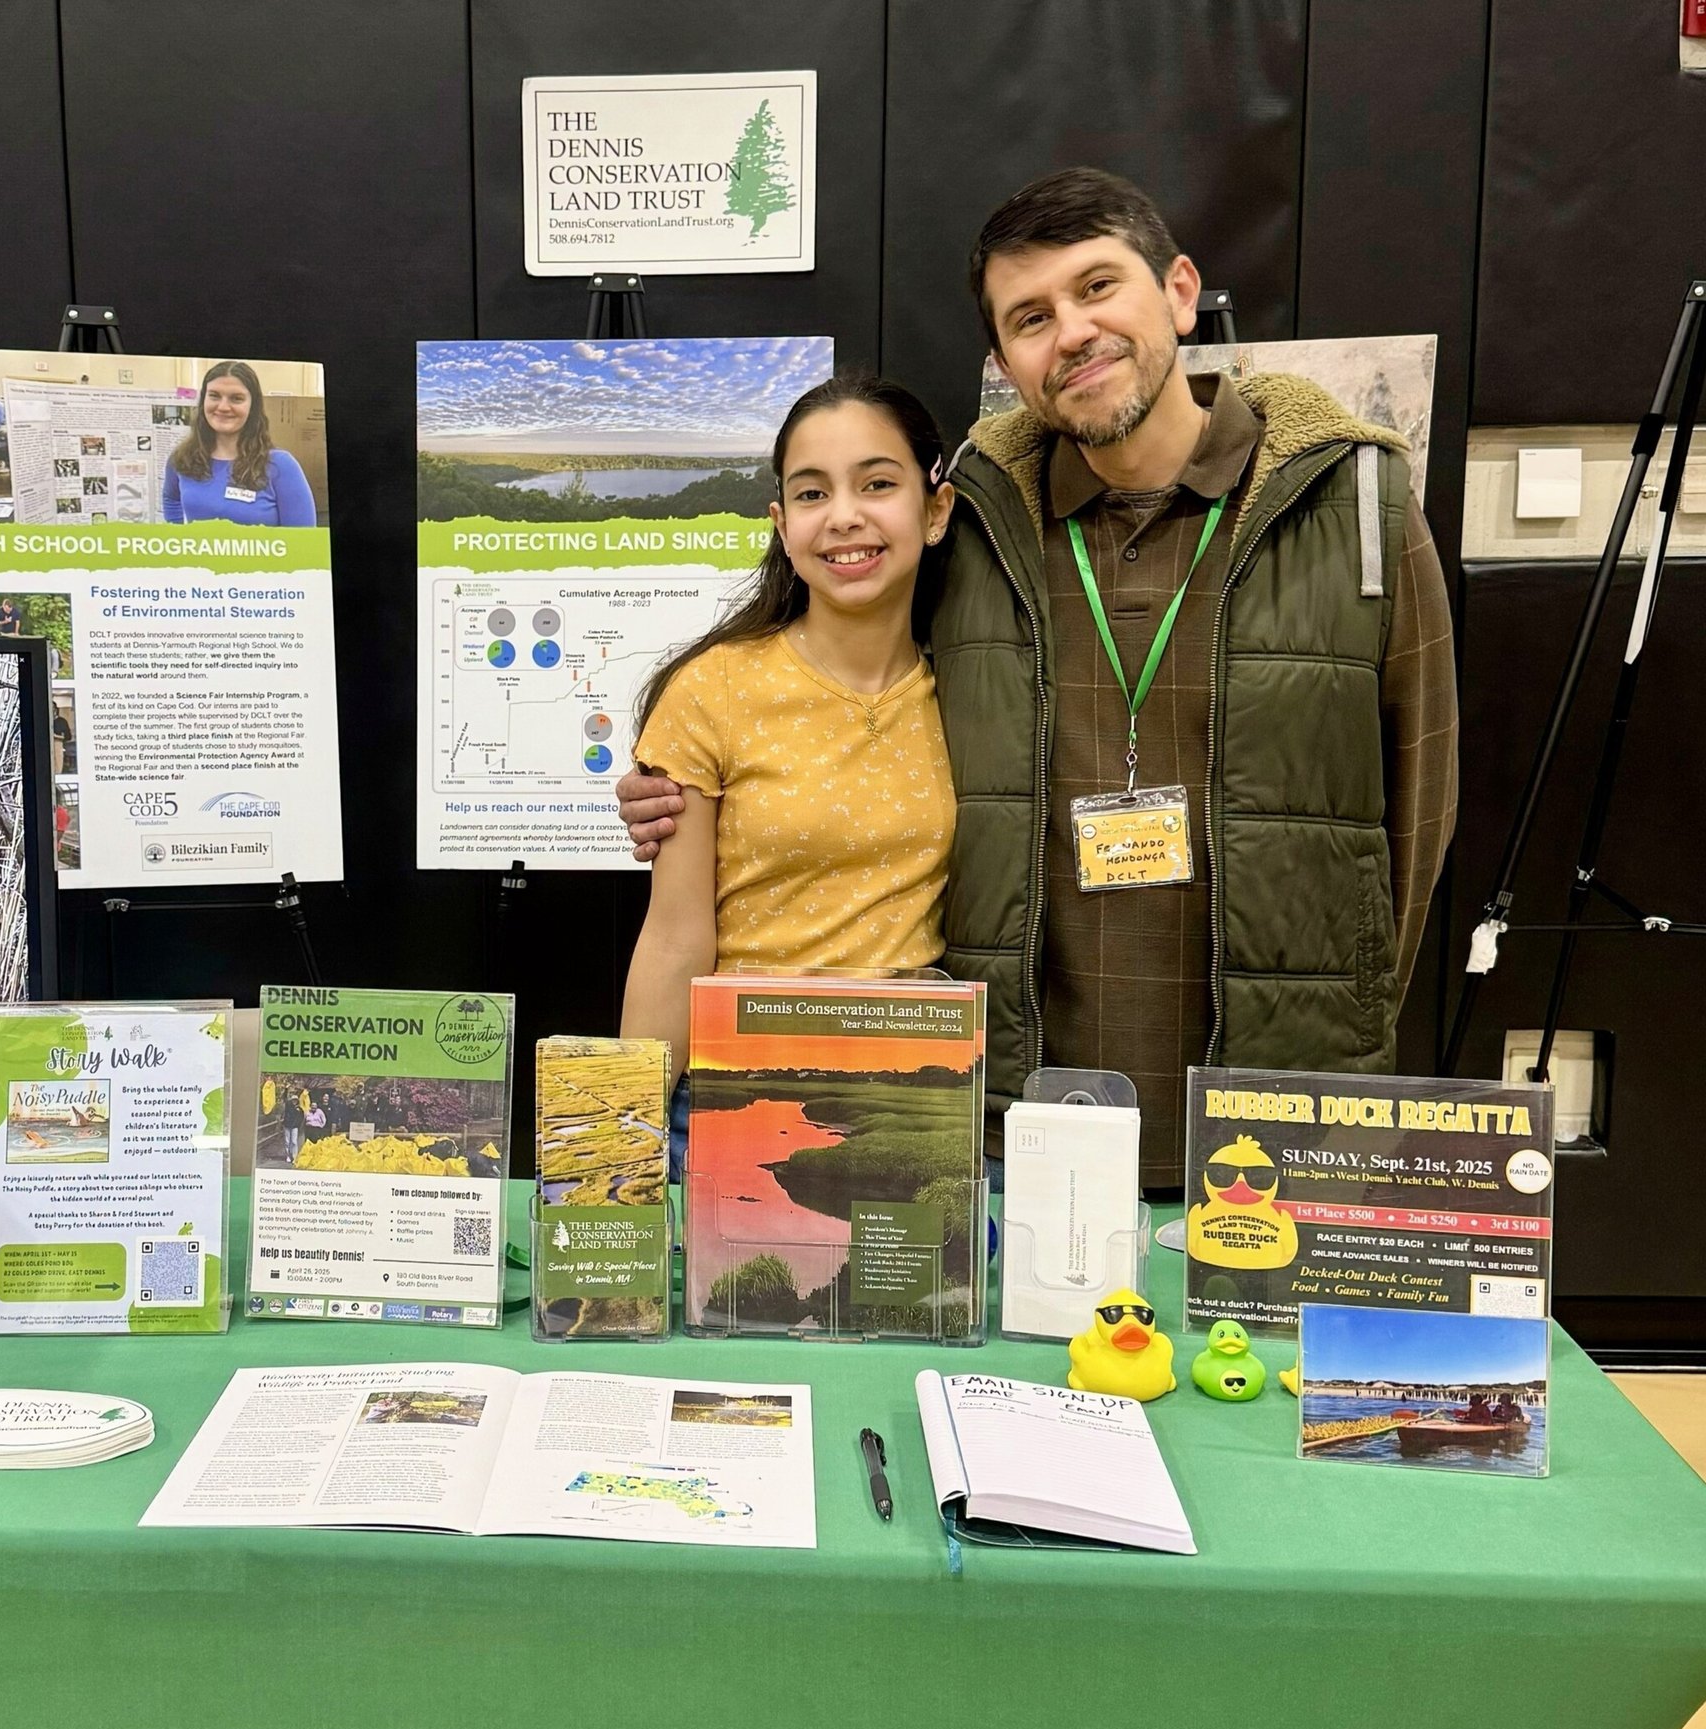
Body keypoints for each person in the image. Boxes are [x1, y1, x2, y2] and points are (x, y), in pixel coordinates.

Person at [622, 169, 1457, 1187]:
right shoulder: (979, 528)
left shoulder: (1349, 508)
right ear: (1005, 362)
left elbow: (1417, 817)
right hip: (1013, 1115)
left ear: (1179, 292)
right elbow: (834, 694)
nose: (1071, 332)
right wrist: (677, 797)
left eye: (1097, 287)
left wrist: (1343, 1021)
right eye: (1030, 316)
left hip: (1270, 1098)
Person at [620, 372, 956, 1070]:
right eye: (811, 492)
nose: (842, 516)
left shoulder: (974, 690)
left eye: (877, 484)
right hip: (735, 1099)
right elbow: (676, 941)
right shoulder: (711, 690)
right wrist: (626, 1140)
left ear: (936, 509)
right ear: (782, 524)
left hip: (915, 1096)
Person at [162, 361, 317, 527]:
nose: (223, 407)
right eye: (214, 396)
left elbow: (304, 540)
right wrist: (179, 539)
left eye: (236, 399)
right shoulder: (183, 458)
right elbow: (171, 499)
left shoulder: (281, 466)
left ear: (253, 406)